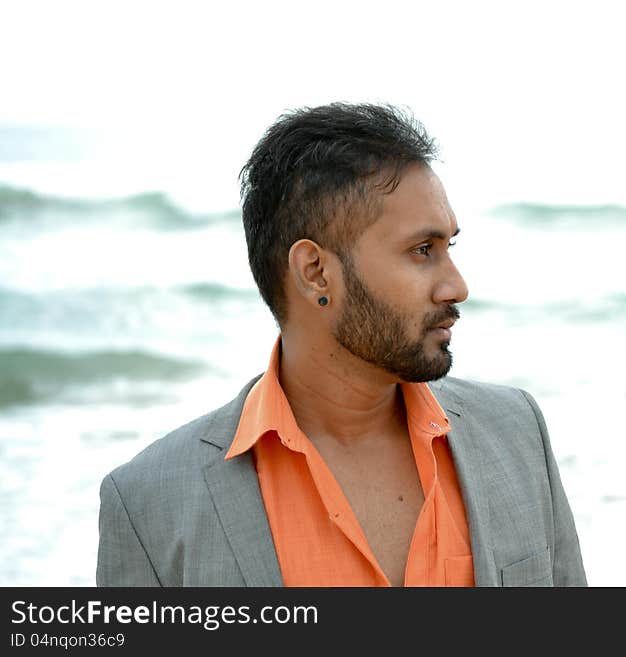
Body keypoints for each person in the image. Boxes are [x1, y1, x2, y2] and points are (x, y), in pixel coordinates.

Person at [96, 103, 587, 587]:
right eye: (422, 251)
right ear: (315, 272)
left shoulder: (516, 432)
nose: (456, 286)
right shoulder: (150, 504)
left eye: (448, 248)